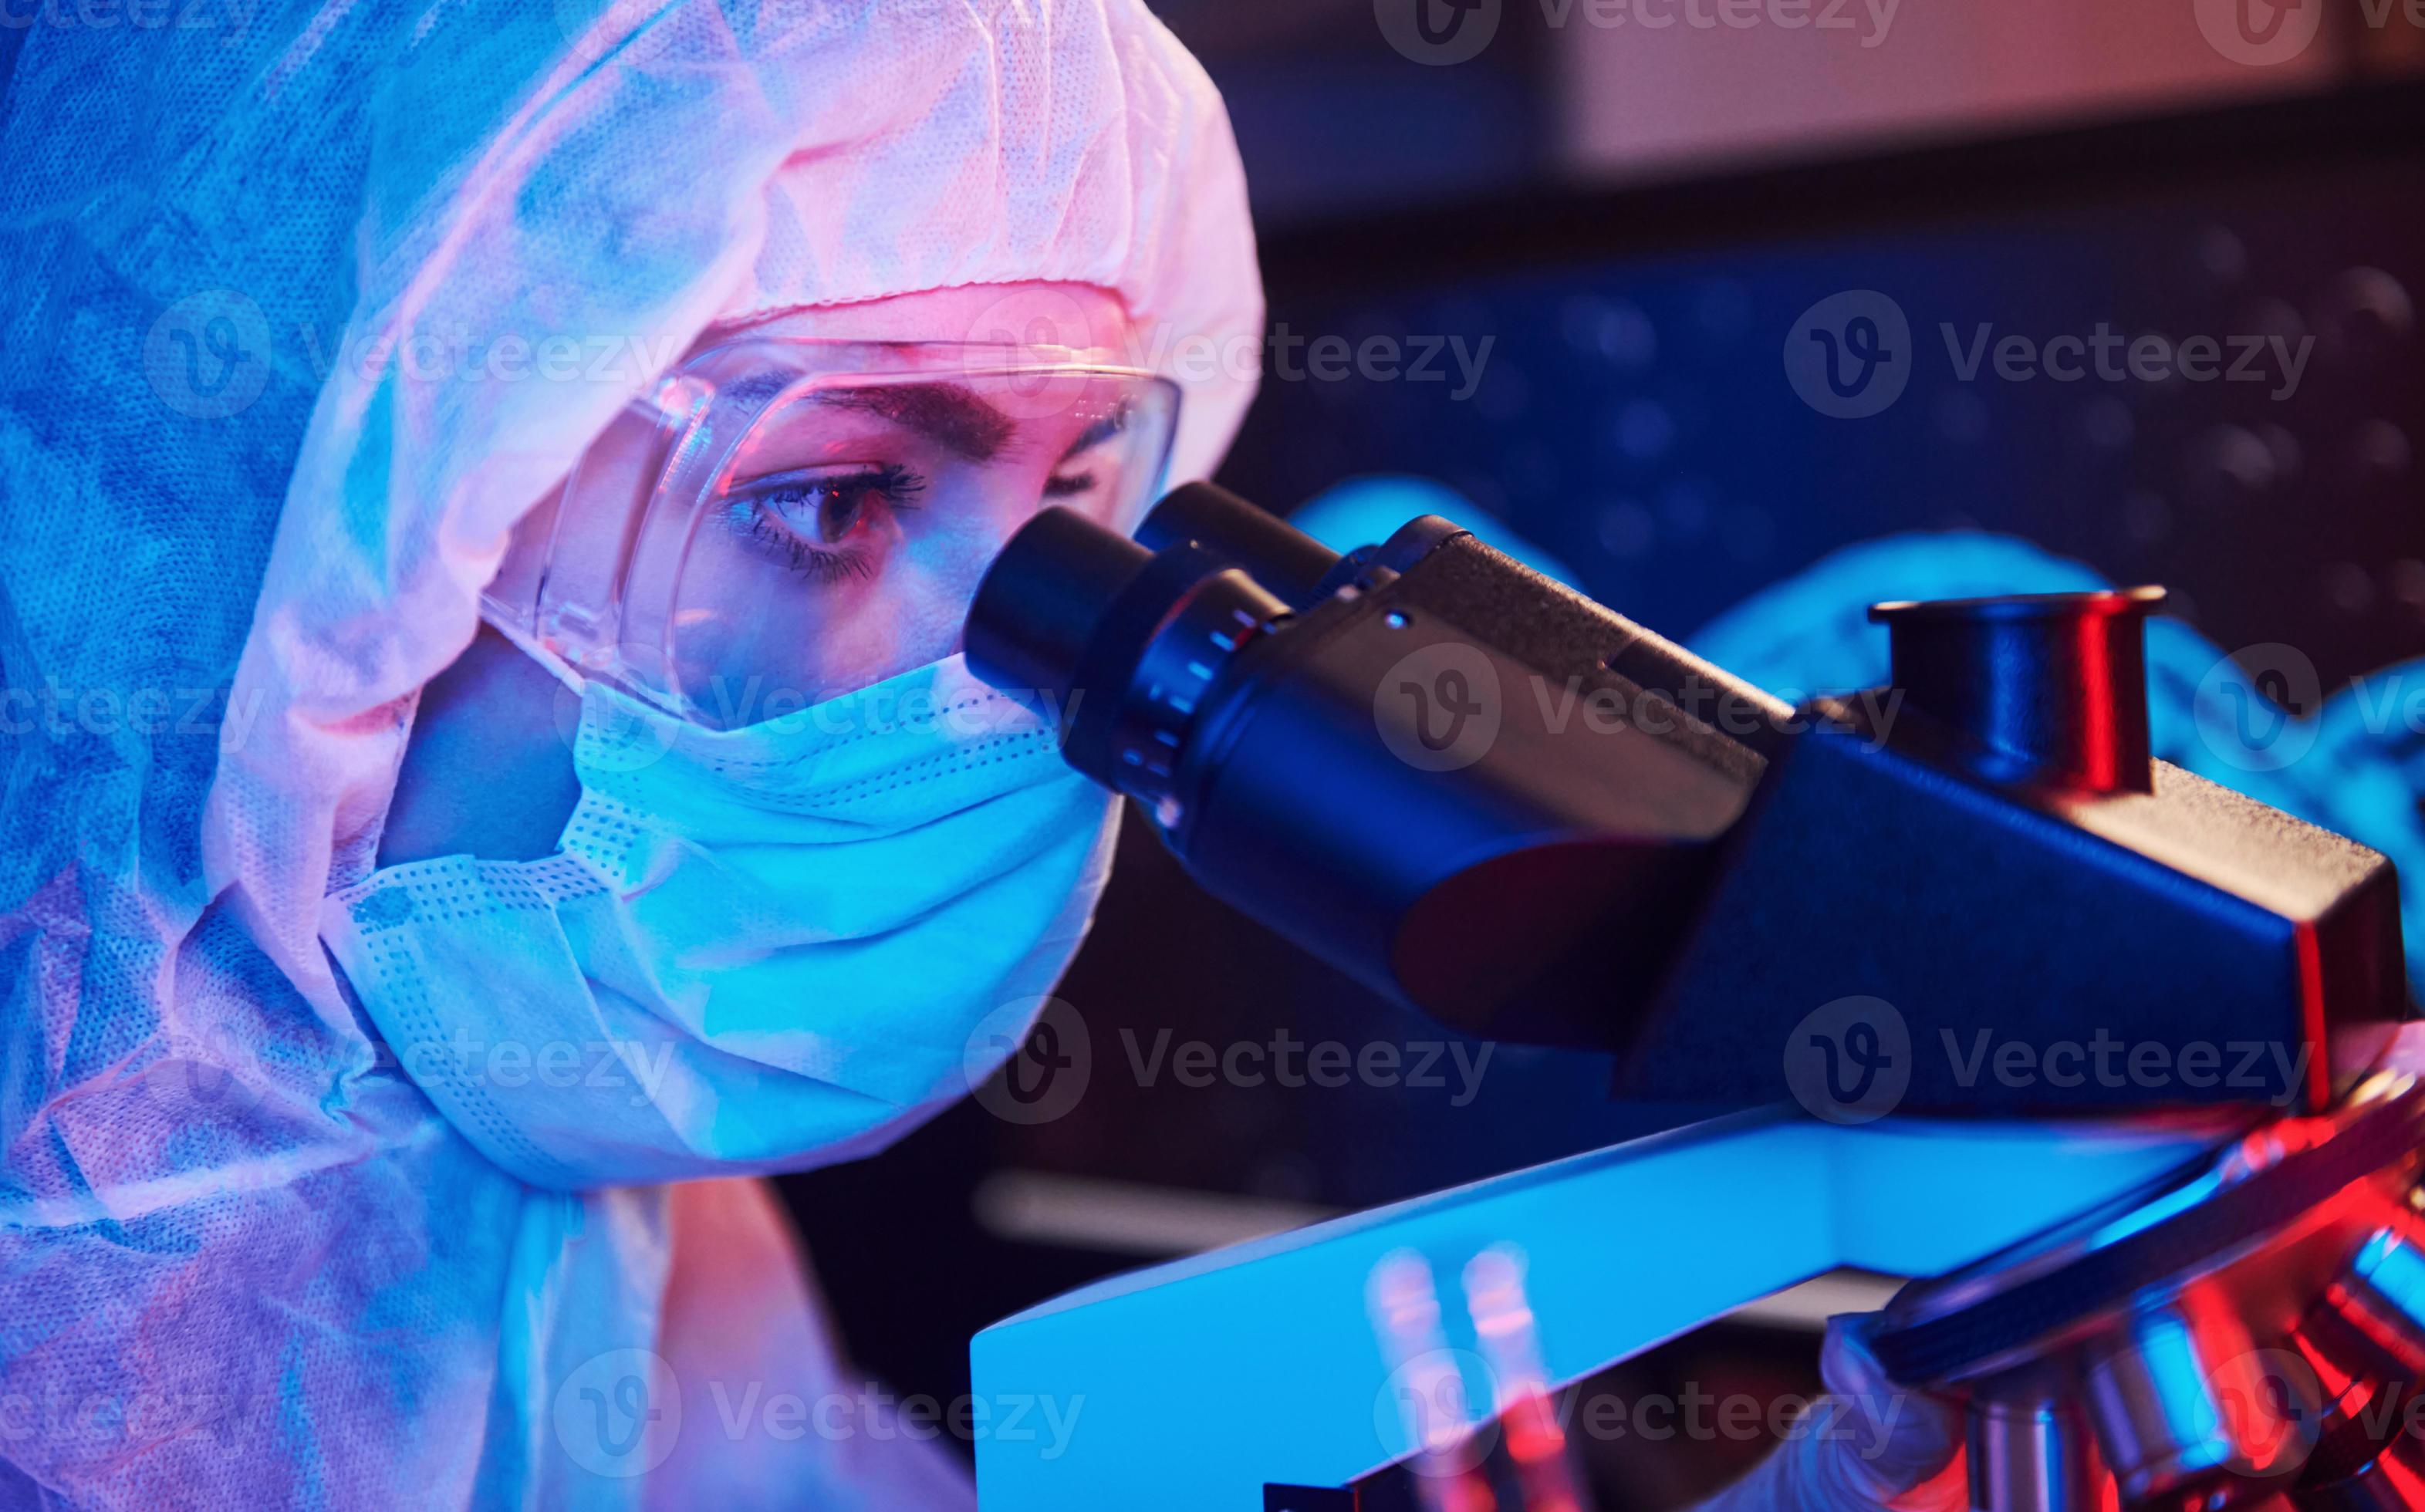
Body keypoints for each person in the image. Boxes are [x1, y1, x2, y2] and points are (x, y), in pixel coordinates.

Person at [0, 1, 1258, 1505]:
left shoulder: (608, 1240)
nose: (993, 691)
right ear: (275, 522)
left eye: (1068, 496)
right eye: (833, 500)